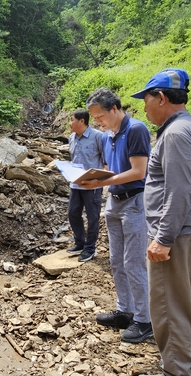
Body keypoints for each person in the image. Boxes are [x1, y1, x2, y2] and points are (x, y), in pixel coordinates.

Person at [131, 69, 191, 376]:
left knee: (169, 308)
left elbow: (178, 192)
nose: (144, 108)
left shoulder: (176, 134)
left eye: (147, 100)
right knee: (189, 307)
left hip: (178, 236)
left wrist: (162, 238)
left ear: (162, 98)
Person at [80, 88, 153, 344]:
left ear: (114, 109)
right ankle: (125, 311)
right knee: (116, 261)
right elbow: (111, 170)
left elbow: (138, 171)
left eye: (99, 116)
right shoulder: (109, 136)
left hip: (134, 201)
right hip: (114, 201)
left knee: (133, 263)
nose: (97, 122)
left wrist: (102, 182)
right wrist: (94, 177)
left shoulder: (135, 130)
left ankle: (145, 321)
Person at [66, 109, 106, 262]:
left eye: (71, 120)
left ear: (81, 121)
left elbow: (105, 160)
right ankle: (80, 242)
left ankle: (90, 249)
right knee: (73, 213)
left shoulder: (98, 137)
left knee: (93, 216)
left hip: (92, 185)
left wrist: (101, 180)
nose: (70, 123)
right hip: (76, 184)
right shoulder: (72, 138)